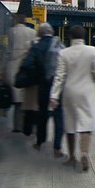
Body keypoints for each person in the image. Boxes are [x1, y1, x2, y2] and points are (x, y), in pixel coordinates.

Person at [49, 25, 95, 172]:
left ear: (70, 37)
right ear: (84, 37)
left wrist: (53, 96)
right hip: (86, 91)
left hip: (69, 91)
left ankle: (72, 157)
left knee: (70, 125)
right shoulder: (91, 51)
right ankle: (84, 153)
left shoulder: (64, 53)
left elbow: (60, 76)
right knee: (86, 123)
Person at [0, 14, 37, 133]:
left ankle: (15, 125)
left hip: (12, 67)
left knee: (12, 96)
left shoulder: (10, 32)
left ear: (15, 20)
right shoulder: (32, 32)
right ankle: (26, 126)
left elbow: (6, 52)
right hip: (25, 68)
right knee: (23, 98)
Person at [31, 23, 65, 158]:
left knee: (42, 117)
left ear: (40, 33)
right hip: (57, 85)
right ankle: (57, 147)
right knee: (58, 117)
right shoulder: (59, 45)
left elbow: (29, 65)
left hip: (43, 86)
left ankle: (40, 143)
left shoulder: (36, 46)